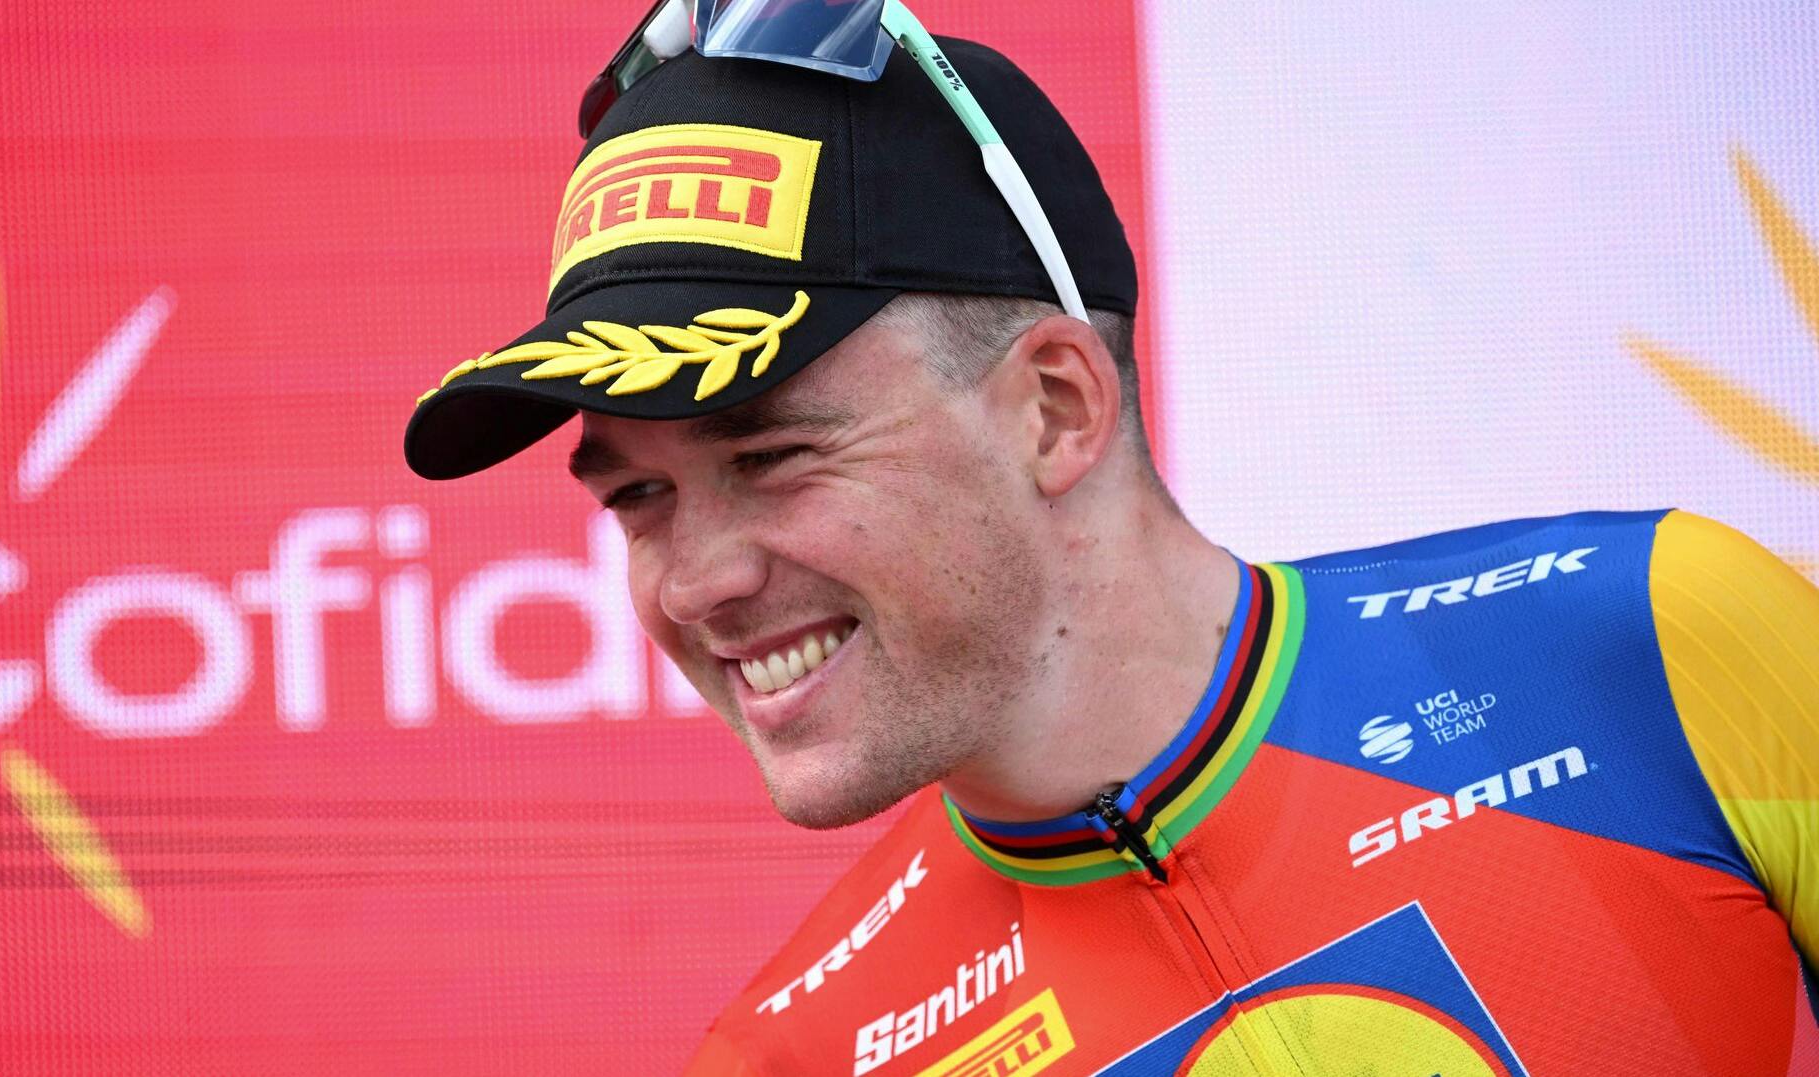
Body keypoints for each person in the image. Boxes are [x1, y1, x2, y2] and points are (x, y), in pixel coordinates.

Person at [404, 9, 1819, 1075]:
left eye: (770, 454)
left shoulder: (1647, 642)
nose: (696, 578)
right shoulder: (795, 1054)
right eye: (635, 496)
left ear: (1054, 404)